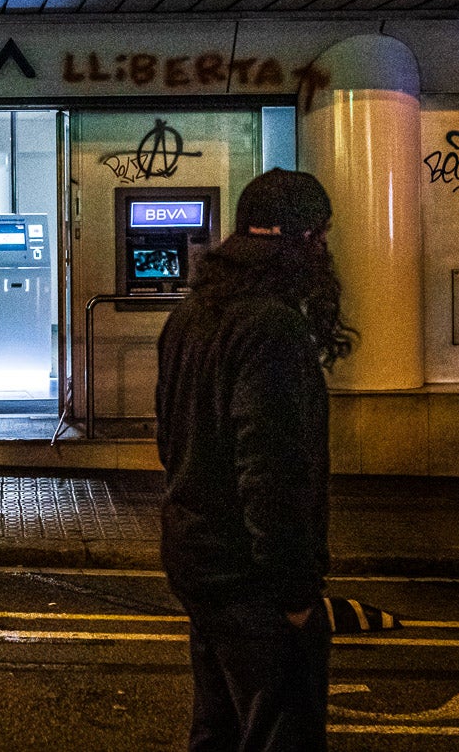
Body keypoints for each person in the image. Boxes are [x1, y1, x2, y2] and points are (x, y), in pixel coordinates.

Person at [155, 168, 353, 752]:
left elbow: (171, 440)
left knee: (216, 729)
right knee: (280, 732)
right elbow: (273, 473)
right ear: (303, 242)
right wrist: (295, 596)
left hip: (196, 557)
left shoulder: (190, 317)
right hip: (253, 578)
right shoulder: (273, 328)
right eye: (320, 238)